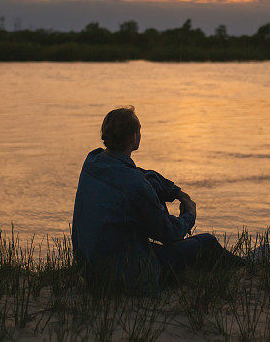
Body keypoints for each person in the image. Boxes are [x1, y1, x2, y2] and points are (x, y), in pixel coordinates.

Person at [71, 105, 244, 294]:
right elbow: (169, 234)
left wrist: (176, 192)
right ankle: (248, 266)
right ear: (133, 138)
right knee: (207, 243)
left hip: (89, 271)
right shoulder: (136, 185)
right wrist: (189, 216)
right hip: (127, 277)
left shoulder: (92, 161)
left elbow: (144, 176)